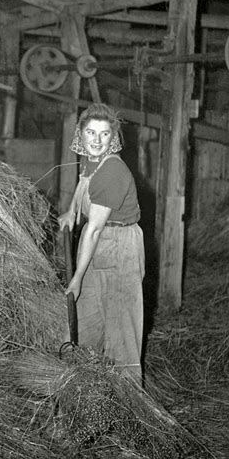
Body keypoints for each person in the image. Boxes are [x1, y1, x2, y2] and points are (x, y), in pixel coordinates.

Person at [58, 103, 145, 384]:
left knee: (121, 333)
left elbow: (94, 229)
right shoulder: (91, 161)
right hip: (98, 244)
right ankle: (84, 392)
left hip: (119, 246)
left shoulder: (111, 172)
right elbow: (84, 183)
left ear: (113, 138)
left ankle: (130, 407)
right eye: (91, 133)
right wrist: (72, 211)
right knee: (84, 325)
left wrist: (77, 278)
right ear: (80, 135)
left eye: (104, 134)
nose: (96, 140)